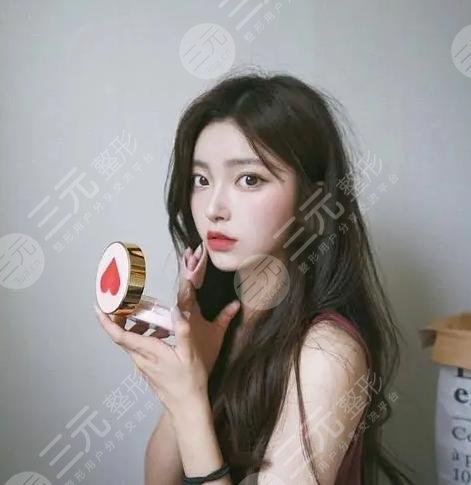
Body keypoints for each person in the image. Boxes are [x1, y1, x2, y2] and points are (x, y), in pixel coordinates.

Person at [95, 69, 415, 484]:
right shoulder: (218, 322)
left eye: (249, 179)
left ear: (313, 201)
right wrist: (193, 376)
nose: (213, 208)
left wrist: (190, 405)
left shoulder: (327, 352)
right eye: (201, 180)